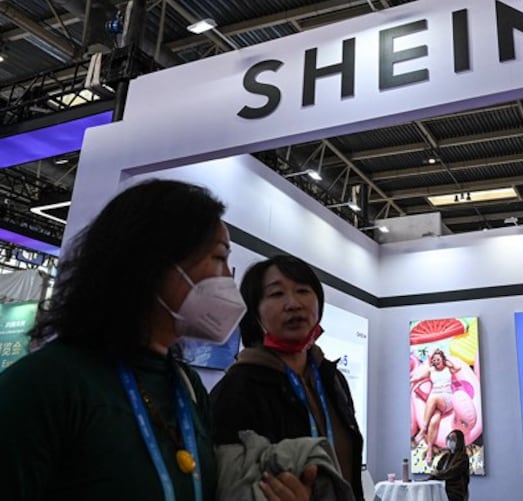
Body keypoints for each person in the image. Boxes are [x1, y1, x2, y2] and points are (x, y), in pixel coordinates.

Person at [0, 179, 312, 501]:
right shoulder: (43, 385)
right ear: (154, 259)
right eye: (219, 258)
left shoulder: (185, 385)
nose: (227, 278)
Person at [211, 254, 365, 501]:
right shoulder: (238, 388)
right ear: (254, 311)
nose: (293, 303)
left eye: (303, 290)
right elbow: (232, 485)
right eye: (276, 294)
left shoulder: (332, 379)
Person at [411, 348, 461, 465]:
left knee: (433, 397)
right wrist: (409, 381)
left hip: (446, 400)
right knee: (434, 421)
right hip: (436, 403)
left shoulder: (448, 369)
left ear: (442, 360)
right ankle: (429, 451)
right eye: (434, 360)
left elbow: (458, 368)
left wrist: (447, 361)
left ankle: (423, 429)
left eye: (438, 359)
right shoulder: (431, 370)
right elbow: (418, 378)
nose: (436, 361)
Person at [430, 429, 470, 501]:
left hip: (456, 493)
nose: (450, 441)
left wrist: (437, 474)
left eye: (453, 439)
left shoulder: (463, 457)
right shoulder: (445, 457)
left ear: (459, 441)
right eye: (448, 438)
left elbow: (452, 472)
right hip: (441, 490)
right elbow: (438, 470)